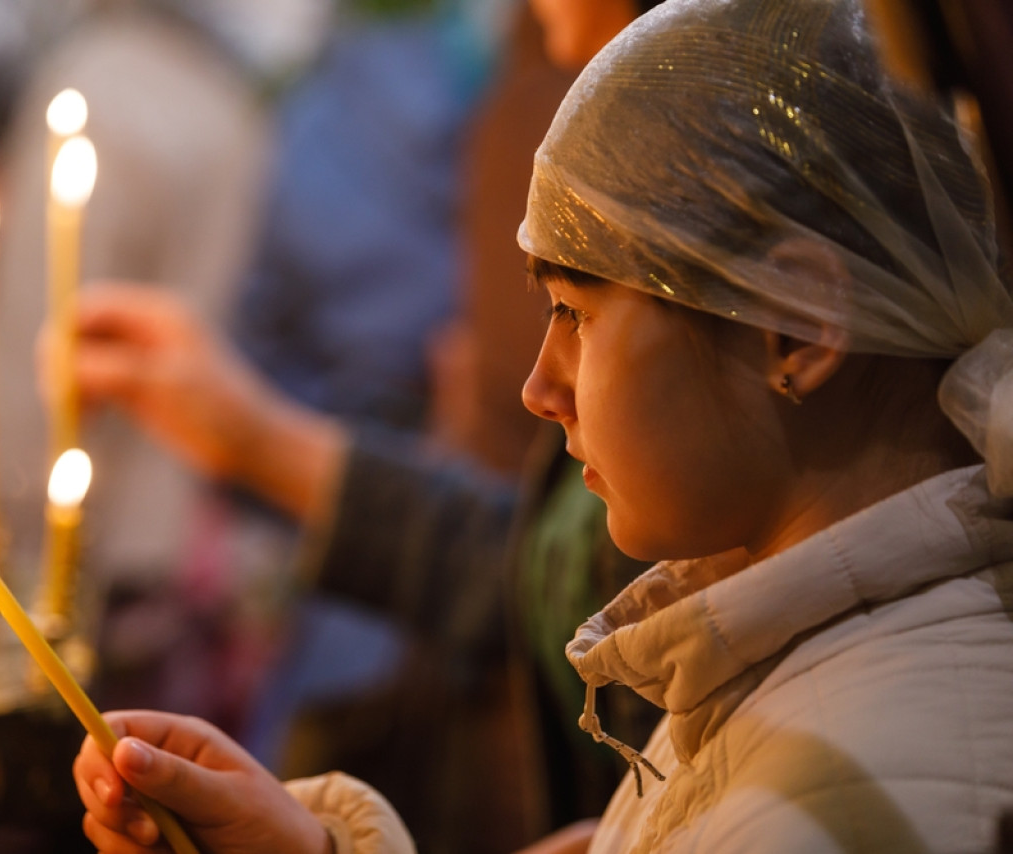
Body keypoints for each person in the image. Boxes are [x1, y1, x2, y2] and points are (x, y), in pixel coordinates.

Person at [69, 0, 1013, 851]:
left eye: (576, 313)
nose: (538, 388)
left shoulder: (832, 796)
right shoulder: (759, 676)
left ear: (794, 328)